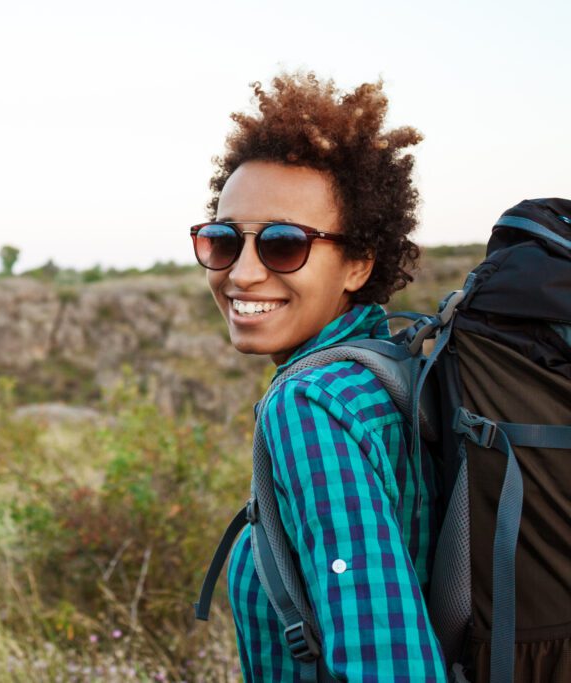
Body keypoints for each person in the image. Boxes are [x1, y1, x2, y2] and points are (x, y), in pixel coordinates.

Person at [192, 73, 446, 680]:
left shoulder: (312, 404)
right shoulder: (395, 369)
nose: (243, 273)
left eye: (283, 245)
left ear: (359, 262)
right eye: (223, 240)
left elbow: (387, 660)